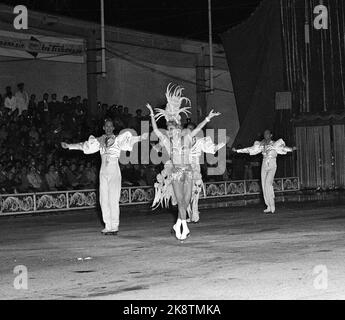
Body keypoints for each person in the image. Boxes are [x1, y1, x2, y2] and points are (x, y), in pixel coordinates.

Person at [147, 83, 221, 242]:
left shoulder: (187, 138)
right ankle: (184, 228)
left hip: (188, 172)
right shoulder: (167, 142)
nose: (172, 131)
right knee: (180, 201)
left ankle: (178, 224)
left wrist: (208, 117)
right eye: (169, 129)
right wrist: (152, 114)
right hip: (175, 173)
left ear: (179, 128)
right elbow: (156, 130)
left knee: (186, 200)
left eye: (174, 129)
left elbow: (199, 127)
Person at [61, 118, 148, 235]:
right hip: (103, 172)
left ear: (113, 128)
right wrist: (70, 146)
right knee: (103, 200)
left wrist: (141, 138)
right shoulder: (100, 140)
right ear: (103, 128)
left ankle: (114, 226)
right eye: (106, 126)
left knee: (113, 199)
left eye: (110, 126)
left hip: (114, 171)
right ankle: (108, 225)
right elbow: (85, 146)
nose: (108, 128)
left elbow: (130, 140)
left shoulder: (118, 140)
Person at [232, 129, 297, 214]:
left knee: (268, 184)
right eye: (264, 134)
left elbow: (283, 148)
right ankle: (268, 206)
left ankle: (272, 204)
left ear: (271, 135)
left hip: (272, 164)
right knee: (263, 185)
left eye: (267, 134)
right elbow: (250, 149)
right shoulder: (261, 145)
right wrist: (237, 150)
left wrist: (291, 149)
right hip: (264, 165)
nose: (265, 135)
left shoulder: (275, 144)